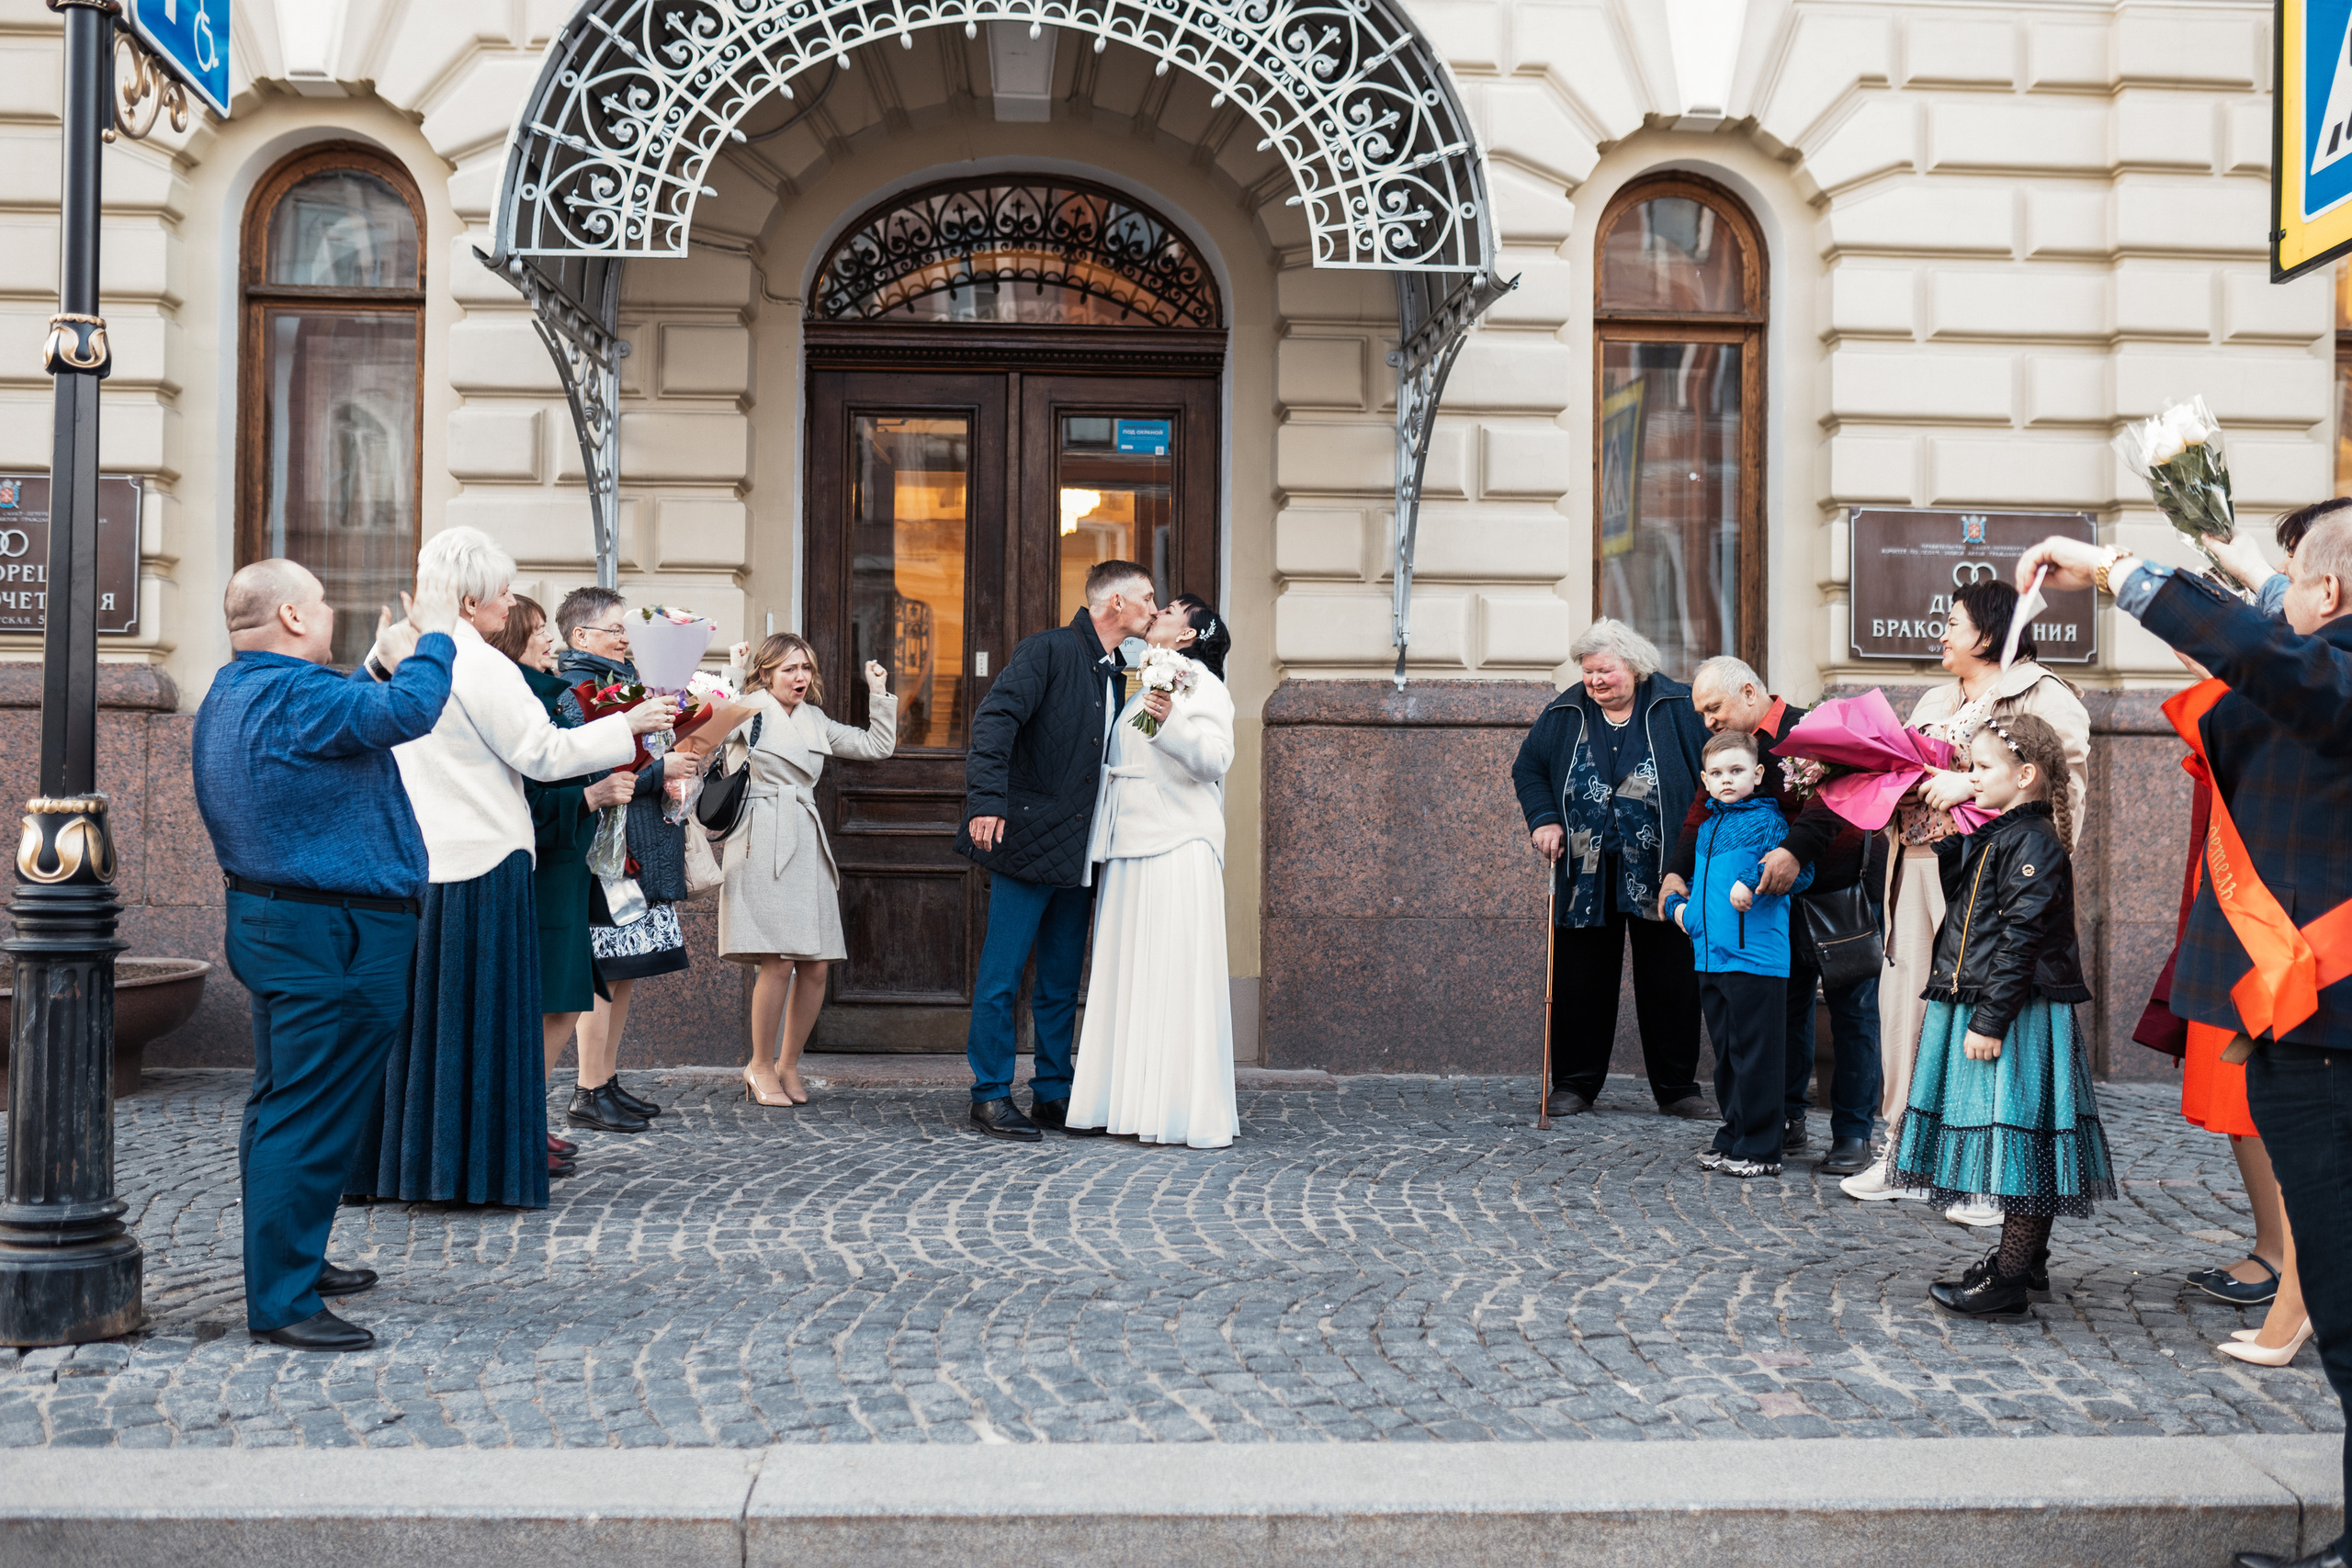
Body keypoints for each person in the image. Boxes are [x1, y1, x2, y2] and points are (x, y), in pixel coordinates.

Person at [2018, 520, 2352, 1568]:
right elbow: (2276, 648)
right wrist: (2254, 578)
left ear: (2329, 591)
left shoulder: (2331, 669)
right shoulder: (2324, 658)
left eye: (2293, 587)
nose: (2276, 603)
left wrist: (2118, 572)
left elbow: (2273, 658)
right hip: (2310, 1026)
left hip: (2330, 1036)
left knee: (2346, 1308)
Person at [354, 529, 666, 1209]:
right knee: (483, 1027)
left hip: (422, 859)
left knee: (425, 1027)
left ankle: (411, 1165)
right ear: (469, 601)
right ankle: (472, 1171)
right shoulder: (479, 663)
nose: (509, 602)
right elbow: (543, 753)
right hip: (485, 859)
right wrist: (631, 723)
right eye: (500, 590)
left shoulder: (408, 653)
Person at [195, 560, 455, 1352]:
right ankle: (280, 1298)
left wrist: (377, 659)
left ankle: (292, 1259)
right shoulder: (297, 696)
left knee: (285, 1103)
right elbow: (409, 709)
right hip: (332, 933)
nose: (332, 608)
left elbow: (345, 709)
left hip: (282, 923)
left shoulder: (235, 690)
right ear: (294, 619)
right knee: (307, 1115)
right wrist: (437, 630)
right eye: (320, 601)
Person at [1842, 578, 2089, 1220]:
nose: (1942, 633)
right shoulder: (1934, 695)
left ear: (1988, 631)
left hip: (1995, 880)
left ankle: (1989, 1172)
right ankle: (1906, 1151)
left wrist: (1969, 786)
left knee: (1985, 1009)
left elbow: (2060, 789)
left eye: (1952, 621)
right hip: (1919, 865)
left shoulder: (2046, 695)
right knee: (1909, 1012)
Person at [1890, 715, 2111, 1322]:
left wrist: (1989, 1021)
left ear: (2025, 775)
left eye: (1982, 768)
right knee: (2021, 1135)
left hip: (2016, 1010)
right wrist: (1951, 839)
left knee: (2021, 1138)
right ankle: (2024, 1262)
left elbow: (2021, 939)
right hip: (2000, 1000)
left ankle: (2012, 1278)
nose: (1971, 777)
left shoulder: (2034, 841)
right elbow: (1971, 900)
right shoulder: (2005, 832)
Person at [1659, 656, 1886, 1173]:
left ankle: (1853, 1132)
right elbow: (1703, 810)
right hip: (1764, 904)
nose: (1709, 720)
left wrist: (1794, 852)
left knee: (1852, 1011)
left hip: (1836, 890)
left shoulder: (1813, 726)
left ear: (1747, 692)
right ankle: (1783, 1119)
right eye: (1702, 713)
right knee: (1783, 1011)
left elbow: (1840, 800)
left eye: (1714, 707)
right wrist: (1675, 873)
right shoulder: (1728, 752)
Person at [958, 559, 1159, 1141]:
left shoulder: (1122, 669)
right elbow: (995, 721)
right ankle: (990, 1094)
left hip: (1081, 848)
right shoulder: (1045, 650)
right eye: (1146, 598)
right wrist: (986, 802)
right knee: (1002, 973)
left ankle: (1053, 1090)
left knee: (1060, 981)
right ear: (1114, 604)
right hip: (1024, 838)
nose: (1153, 608)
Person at [1510, 619, 1712, 1120]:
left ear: (1635, 666)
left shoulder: (1677, 706)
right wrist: (1544, 820)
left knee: (1670, 976)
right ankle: (1574, 1084)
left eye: (1605, 670)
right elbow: (1528, 767)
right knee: (1581, 978)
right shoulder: (1564, 711)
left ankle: (1677, 1088)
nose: (1595, 680)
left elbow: (1716, 761)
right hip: (1584, 868)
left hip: (1664, 866)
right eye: (1587, 671)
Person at [1065, 593, 1239, 1148]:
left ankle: (1178, 1109)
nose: (1157, 612)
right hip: (1130, 842)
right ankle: (1123, 1103)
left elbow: (1213, 760)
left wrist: (1169, 726)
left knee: (1172, 971)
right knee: (1129, 971)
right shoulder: (1139, 675)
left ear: (1187, 636)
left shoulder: (1205, 685)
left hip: (1176, 843)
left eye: (1169, 612)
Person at [717, 633, 896, 1106]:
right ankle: (758, 1065)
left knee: (816, 965)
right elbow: (707, 735)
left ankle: (788, 1064)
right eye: (789, 669)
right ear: (766, 673)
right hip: (760, 836)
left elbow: (876, 746)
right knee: (777, 961)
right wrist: (733, 678)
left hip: (805, 835)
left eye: (806, 669)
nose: (800, 678)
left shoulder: (815, 719)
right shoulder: (749, 707)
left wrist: (878, 693)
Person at [488, 595, 628, 1177]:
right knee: (553, 1003)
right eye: (540, 630)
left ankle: (526, 1122)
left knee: (565, 1001)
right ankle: (519, 1128)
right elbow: (529, 795)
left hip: (569, 867)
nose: (552, 640)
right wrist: (591, 795)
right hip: (544, 868)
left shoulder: (550, 693)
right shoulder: (524, 699)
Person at [553, 586, 700, 1133]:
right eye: (616, 629)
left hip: (640, 838)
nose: (625, 638)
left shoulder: (627, 683)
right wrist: (659, 773)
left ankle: (606, 1078)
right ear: (580, 636)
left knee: (627, 968)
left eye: (626, 630)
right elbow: (587, 773)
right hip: (608, 847)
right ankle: (588, 1088)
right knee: (605, 969)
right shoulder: (575, 690)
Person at [1664, 730, 1814, 1178]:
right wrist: (1680, 911)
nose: (1727, 780)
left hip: (1756, 958)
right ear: (1705, 781)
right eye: (1717, 773)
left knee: (1758, 1056)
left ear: (1758, 773)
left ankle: (1763, 1148)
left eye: (1737, 771)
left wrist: (1752, 878)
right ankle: (1733, 1134)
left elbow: (1800, 875)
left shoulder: (1770, 822)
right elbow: (1696, 887)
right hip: (1711, 957)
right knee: (1728, 1056)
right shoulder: (1708, 827)